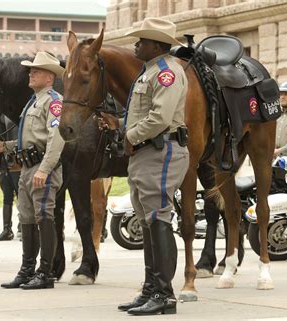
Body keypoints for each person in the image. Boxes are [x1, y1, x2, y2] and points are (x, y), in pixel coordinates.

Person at [97, 18, 189, 315]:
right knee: (149, 221)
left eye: (142, 41)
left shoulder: (166, 73)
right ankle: (151, 288)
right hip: (146, 152)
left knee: (158, 219)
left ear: (157, 45)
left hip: (161, 152)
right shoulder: (148, 72)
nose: (136, 45)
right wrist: (120, 123)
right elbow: (143, 116)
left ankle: (164, 295)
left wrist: (128, 135)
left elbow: (160, 118)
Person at [0, 52, 65, 290]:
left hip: (42, 167)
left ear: (50, 77)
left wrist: (45, 169)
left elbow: (56, 138)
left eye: (36, 71)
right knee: (27, 219)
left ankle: (46, 272)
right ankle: (27, 270)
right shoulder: (33, 101)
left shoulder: (54, 101)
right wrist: (6, 146)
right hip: (26, 167)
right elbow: (30, 138)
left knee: (45, 217)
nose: (30, 74)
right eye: (31, 70)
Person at [0, 114, 21, 241]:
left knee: (21, 195)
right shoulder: (1, 117)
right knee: (7, 196)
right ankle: (7, 229)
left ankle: (22, 226)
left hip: (18, 161)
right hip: (5, 161)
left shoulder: (20, 113)